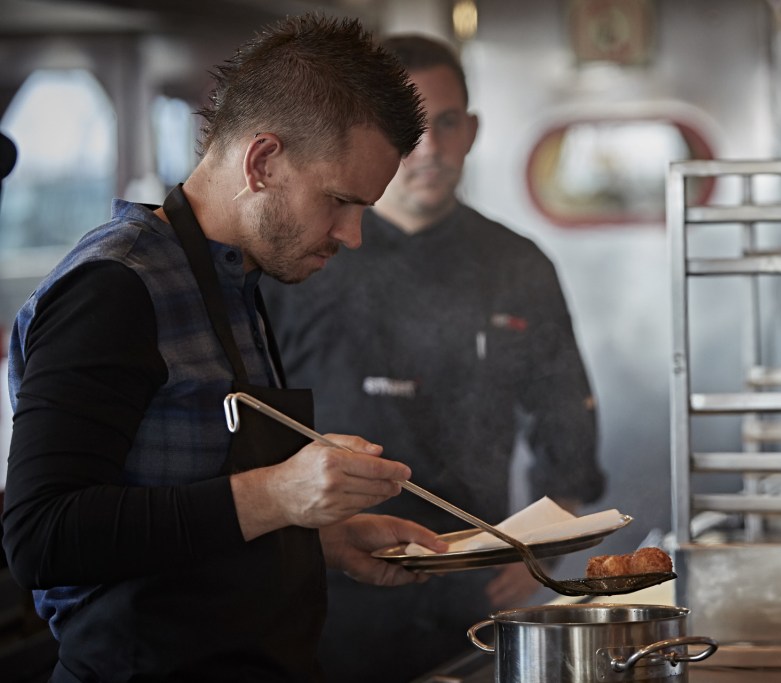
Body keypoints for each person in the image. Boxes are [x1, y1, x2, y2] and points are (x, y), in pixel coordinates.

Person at [1, 14, 449, 682]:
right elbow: (42, 535)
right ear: (262, 160)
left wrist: (319, 540)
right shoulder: (115, 287)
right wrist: (280, 494)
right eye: (339, 201)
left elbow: (175, 505)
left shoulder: (234, 276)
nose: (352, 235)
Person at [261, 34, 606, 682]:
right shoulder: (302, 258)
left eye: (447, 124)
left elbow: (565, 409)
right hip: (323, 582)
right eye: (410, 128)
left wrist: (544, 543)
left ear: (471, 130)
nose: (429, 148)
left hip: (470, 580)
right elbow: (251, 418)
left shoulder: (516, 263)